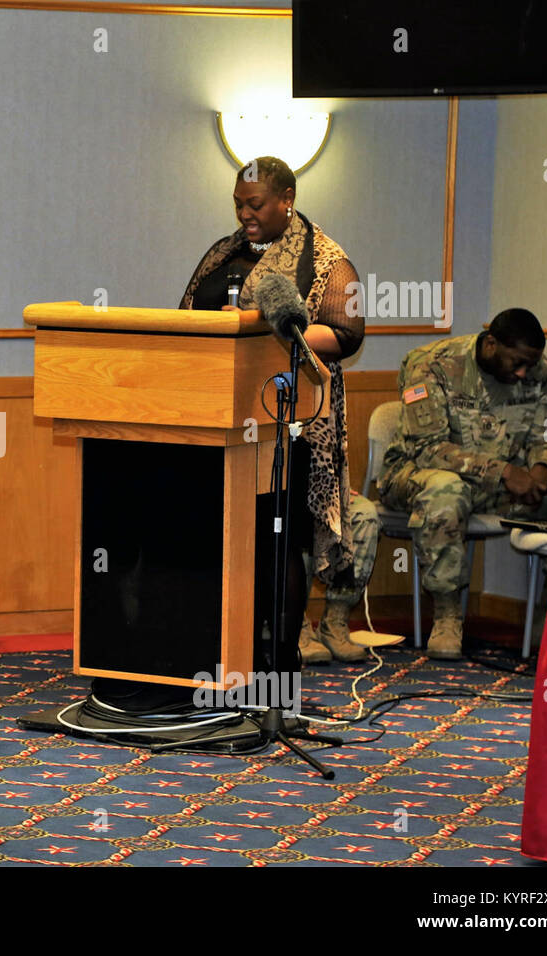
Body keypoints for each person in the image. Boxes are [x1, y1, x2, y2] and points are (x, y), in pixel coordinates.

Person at [180, 156, 378, 667]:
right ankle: (219, 653)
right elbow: (186, 317)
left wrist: (254, 327)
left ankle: (278, 664)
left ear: (286, 200)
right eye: (238, 204)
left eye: (255, 204)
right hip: (217, 419)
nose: (244, 214)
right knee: (222, 537)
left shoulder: (325, 258)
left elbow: (345, 333)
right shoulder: (223, 253)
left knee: (277, 539)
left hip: (290, 424)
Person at [377, 308, 547, 659]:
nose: (524, 372)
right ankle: (448, 614)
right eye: (517, 362)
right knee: (448, 490)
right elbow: (428, 448)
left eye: (530, 363)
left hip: (494, 487)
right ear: (491, 344)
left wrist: (542, 469)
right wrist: (506, 473)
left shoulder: (538, 372)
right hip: (414, 476)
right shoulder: (430, 364)